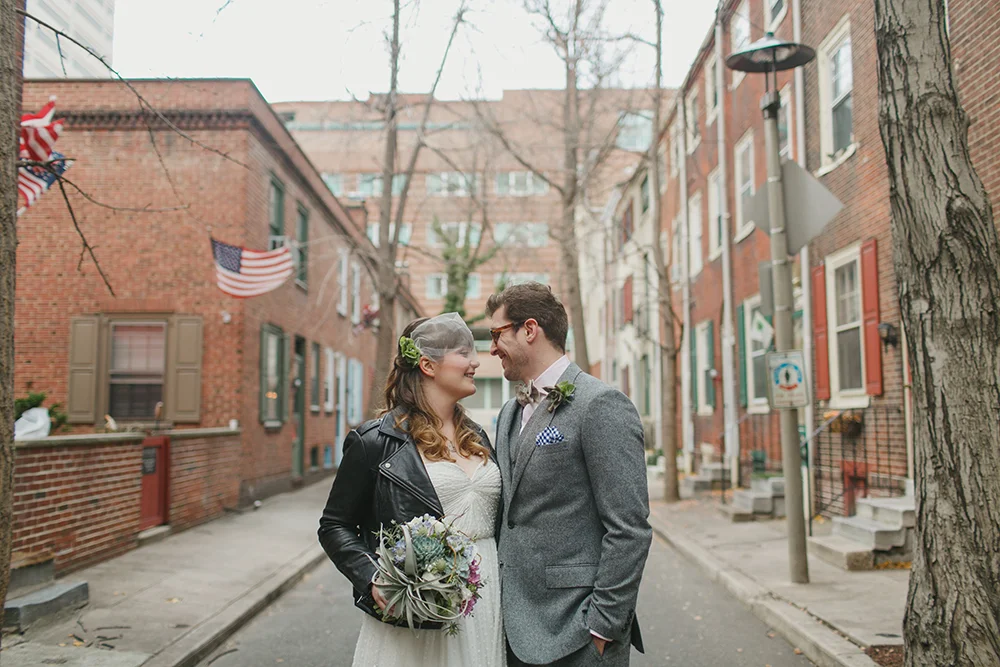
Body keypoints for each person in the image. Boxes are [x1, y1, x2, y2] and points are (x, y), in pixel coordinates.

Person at [318, 313, 506, 667]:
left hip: (485, 600)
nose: (476, 362)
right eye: (463, 353)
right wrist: (373, 579)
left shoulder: (478, 436)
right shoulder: (375, 442)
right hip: (417, 611)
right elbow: (334, 525)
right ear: (428, 365)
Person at [487, 282, 652, 667]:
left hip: (575, 632)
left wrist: (602, 626)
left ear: (529, 330)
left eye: (497, 334)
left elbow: (629, 528)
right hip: (511, 629)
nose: (492, 348)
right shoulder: (510, 413)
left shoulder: (601, 405)